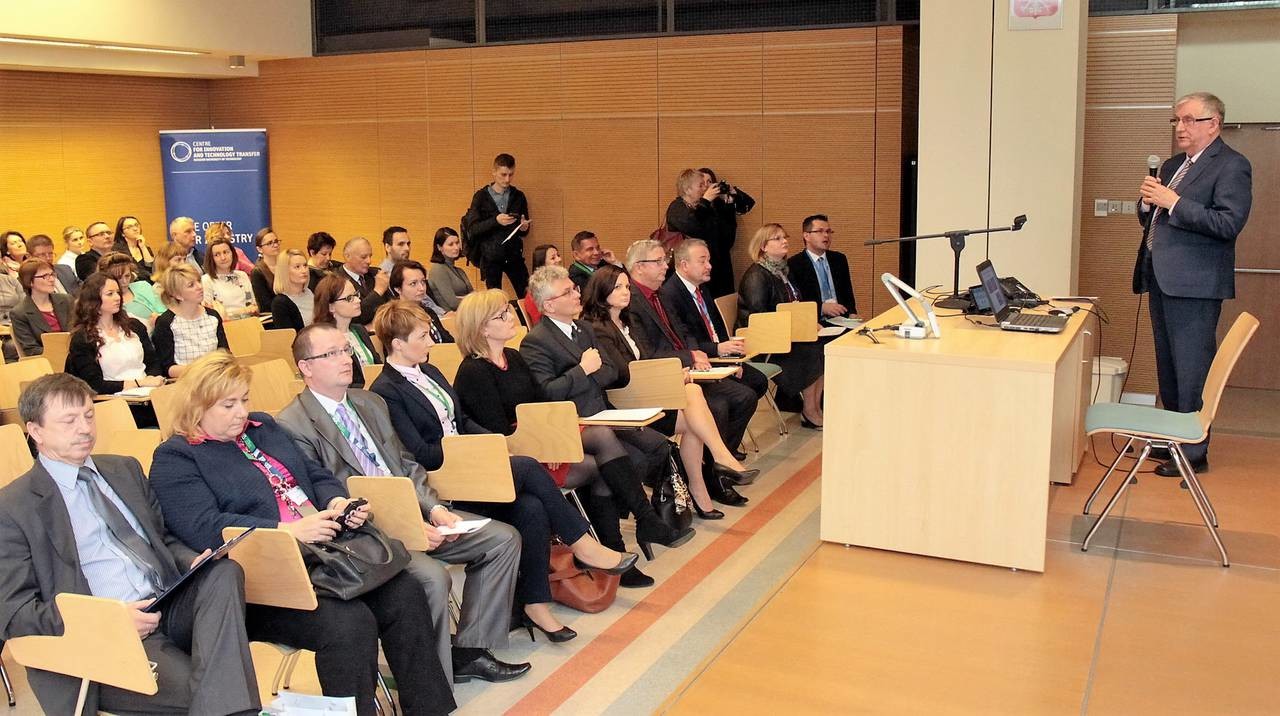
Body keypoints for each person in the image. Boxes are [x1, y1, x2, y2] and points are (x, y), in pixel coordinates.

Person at [149, 352, 456, 715]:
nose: (241, 412)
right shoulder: (176, 457)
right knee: (349, 624)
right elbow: (204, 528)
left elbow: (315, 475)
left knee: (405, 591)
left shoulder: (263, 428)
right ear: (197, 406)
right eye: (228, 405)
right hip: (265, 579)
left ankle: (430, 709)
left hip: (327, 555)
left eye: (244, 400)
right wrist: (289, 531)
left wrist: (337, 502)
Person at [276, 322, 530, 685]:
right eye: (331, 353)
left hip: (415, 513)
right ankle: (434, 681)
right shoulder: (292, 424)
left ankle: (470, 650)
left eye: (346, 349)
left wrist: (434, 509)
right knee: (432, 578)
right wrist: (408, 527)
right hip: (366, 535)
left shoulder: (370, 402)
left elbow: (406, 464)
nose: (346, 359)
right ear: (306, 366)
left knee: (503, 540)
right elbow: (329, 498)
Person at [367, 302, 638, 639]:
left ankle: (535, 604)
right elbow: (419, 453)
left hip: (471, 464)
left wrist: (494, 443)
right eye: (423, 336)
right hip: (443, 476)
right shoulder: (385, 391)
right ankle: (581, 543)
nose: (431, 342)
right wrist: (476, 451)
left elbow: (462, 421)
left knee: (532, 507)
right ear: (397, 344)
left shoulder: (430, 372)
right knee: (527, 466)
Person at [0, 373, 261, 715]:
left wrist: (189, 560)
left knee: (222, 573)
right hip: (103, 638)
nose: (85, 428)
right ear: (35, 431)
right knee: (213, 691)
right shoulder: (13, 507)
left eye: (89, 415)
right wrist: (110, 620)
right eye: (69, 420)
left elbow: (162, 539)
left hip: (165, 603)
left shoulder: (124, 470)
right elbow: (15, 611)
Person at [453, 289, 693, 586]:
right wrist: (546, 446)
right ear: (482, 328)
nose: (510, 316)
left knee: (603, 442)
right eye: (501, 315)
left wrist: (553, 441)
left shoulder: (512, 357)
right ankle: (630, 536)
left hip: (539, 437)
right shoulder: (473, 372)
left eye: (507, 310)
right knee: (601, 465)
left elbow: (541, 404)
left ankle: (632, 533)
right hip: (515, 455)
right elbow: (498, 433)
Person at [1134, 91, 1253, 477]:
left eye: (1188, 120)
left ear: (1213, 124)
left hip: (1197, 285)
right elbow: (1155, 221)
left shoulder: (1232, 165)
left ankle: (1193, 451)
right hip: (1161, 278)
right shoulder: (1173, 165)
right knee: (1169, 367)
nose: (1180, 128)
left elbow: (1227, 223)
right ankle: (1172, 438)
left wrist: (1173, 202)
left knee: (1192, 370)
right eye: (1177, 120)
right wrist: (1147, 204)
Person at [582, 265, 759, 518]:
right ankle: (719, 463)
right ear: (601, 291)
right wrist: (667, 377)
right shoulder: (597, 327)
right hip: (625, 399)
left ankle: (703, 484)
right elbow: (622, 373)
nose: (626, 292)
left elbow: (647, 361)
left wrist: (671, 376)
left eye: (627, 287)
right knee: (694, 405)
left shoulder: (627, 321)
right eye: (618, 287)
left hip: (644, 390)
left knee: (693, 406)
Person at [519, 266, 673, 496]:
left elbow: (611, 371)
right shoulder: (536, 341)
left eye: (575, 288)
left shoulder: (584, 328)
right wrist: (583, 370)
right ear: (549, 305)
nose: (577, 294)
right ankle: (630, 514)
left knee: (659, 446)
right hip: (576, 422)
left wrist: (585, 375)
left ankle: (654, 507)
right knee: (634, 460)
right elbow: (548, 391)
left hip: (602, 411)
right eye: (568, 292)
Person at [640, 239, 769, 474]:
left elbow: (687, 334)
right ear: (684, 265)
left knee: (754, 384)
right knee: (731, 400)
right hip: (675, 370)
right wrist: (703, 353)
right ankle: (716, 462)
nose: (709, 266)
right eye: (703, 261)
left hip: (699, 360)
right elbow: (669, 344)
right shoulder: (669, 294)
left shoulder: (698, 290)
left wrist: (722, 356)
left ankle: (721, 454)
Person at [737, 224, 825, 429]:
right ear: (763, 246)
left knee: (822, 347)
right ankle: (809, 411)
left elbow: (793, 305)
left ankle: (815, 407)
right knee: (809, 353)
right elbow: (760, 318)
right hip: (763, 341)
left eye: (784, 237)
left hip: (785, 334)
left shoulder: (783, 271)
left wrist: (808, 324)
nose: (785, 241)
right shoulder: (757, 275)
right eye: (777, 238)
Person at [665, 169, 741, 298]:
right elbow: (694, 228)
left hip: (716, 271)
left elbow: (726, 240)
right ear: (688, 190)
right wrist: (705, 201)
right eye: (700, 185)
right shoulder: (677, 208)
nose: (705, 188)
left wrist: (727, 205)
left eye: (706, 184)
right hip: (690, 271)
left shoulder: (709, 207)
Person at [463, 153, 531, 297]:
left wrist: (524, 227)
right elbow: (473, 229)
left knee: (528, 294)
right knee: (496, 299)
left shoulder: (518, 196)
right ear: (494, 172)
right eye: (503, 175)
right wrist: (496, 221)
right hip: (490, 256)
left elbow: (524, 229)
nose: (507, 179)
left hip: (513, 254)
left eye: (511, 175)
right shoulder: (481, 197)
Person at [153, 264, 230, 379]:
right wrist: (202, 370)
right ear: (177, 295)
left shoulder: (213, 316)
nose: (199, 287)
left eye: (198, 281)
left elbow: (225, 353)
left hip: (216, 378)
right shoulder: (166, 322)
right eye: (191, 285)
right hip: (185, 381)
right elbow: (167, 368)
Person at [313, 273, 381, 388]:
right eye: (349, 298)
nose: (358, 300)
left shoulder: (359, 330)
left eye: (356, 294)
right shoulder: (325, 340)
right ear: (331, 307)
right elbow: (334, 380)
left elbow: (377, 365)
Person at [788, 214, 857, 319]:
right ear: (806, 236)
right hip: (813, 321)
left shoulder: (839, 259)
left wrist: (852, 313)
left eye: (828, 231)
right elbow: (796, 301)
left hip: (842, 319)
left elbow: (847, 292)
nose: (826, 235)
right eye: (820, 231)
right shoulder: (794, 264)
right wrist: (821, 308)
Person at [10, 259, 73, 357]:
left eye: (52, 274)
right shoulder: (20, 313)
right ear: (29, 281)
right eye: (45, 276)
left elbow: (80, 329)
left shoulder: (66, 300)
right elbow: (31, 349)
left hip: (76, 354)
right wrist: (61, 352)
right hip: (48, 359)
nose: (52, 279)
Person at [97, 252, 166, 327]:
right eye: (118, 278)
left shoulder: (143, 286)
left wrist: (159, 320)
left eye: (127, 276)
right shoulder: (104, 301)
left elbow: (163, 312)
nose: (124, 281)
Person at [202, 237, 257, 320]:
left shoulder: (242, 276)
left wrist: (253, 310)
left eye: (226, 252)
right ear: (211, 258)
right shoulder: (206, 280)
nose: (223, 258)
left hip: (248, 322)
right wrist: (242, 311)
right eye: (217, 255)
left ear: (232, 253)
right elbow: (211, 314)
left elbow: (254, 306)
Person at [427, 227, 473, 312]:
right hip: (451, 316)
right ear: (439, 247)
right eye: (451, 244)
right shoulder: (438, 269)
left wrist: (465, 298)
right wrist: (470, 298)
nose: (456, 248)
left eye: (457, 243)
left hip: (467, 311)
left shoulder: (460, 271)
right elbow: (453, 303)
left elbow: (474, 295)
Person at [269, 249, 316, 332]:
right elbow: (289, 336)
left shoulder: (310, 292)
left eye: (305, 265)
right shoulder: (280, 303)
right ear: (285, 271)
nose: (304, 270)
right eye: (297, 267)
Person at [521, 244, 561, 325]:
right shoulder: (536, 291)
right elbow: (542, 322)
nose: (559, 259)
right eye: (553, 258)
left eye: (558, 255)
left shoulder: (559, 283)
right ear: (542, 264)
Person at [338, 236, 385, 304]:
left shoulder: (376, 274)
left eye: (370, 256)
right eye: (363, 257)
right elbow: (353, 309)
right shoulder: (336, 281)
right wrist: (378, 291)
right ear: (347, 256)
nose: (369, 261)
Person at [112, 215, 156, 283]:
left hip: (148, 284)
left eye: (136, 225)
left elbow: (152, 268)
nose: (135, 229)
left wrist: (143, 247)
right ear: (122, 233)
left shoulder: (146, 248)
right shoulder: (117, 250)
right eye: (129, 227)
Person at [250, 227, 282, 312]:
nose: (275, 245)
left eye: (276, 241)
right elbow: (265, 305)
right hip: (272, 315)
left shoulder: (285, 266)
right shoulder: (257, 272)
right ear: (259, 249)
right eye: (269, 243)